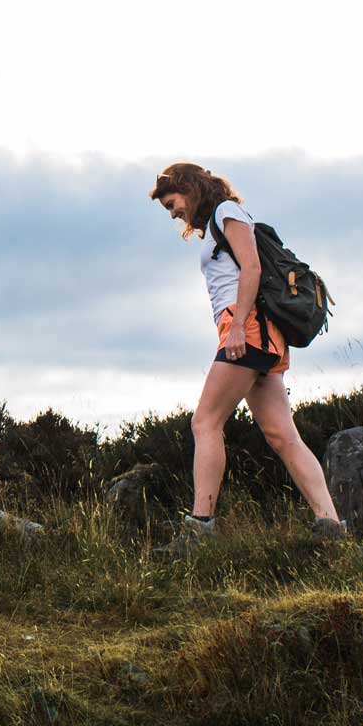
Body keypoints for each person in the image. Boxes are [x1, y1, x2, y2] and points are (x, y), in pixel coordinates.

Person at [149, 164, 345, 540]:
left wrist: (237, 326)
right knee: (282, 435)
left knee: (205, 423)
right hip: (254, 333)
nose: (173, 213)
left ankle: (200, 527)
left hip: (247, 329)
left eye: (172, 203)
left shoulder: (227, 212)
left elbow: (252, 268)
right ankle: (331, 524)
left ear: (189, 189)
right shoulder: (217, 224)